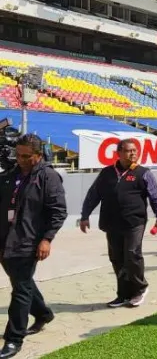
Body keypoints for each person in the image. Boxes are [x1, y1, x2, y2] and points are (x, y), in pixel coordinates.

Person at [0, 134, 66, 358]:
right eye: (17, 155)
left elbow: (58, 211)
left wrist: (47, 239)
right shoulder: (10, 175)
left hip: (29, 241)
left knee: (20, 290)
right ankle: (44, 313)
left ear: (38, 156)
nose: (20, 159)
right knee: (23, 283)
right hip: (5, 240)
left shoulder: (48, 177)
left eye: (26, 156)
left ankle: (14, 338)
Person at [80, 138, 157, 308]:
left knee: (132, 253)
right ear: (119, 153)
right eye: (129, 150)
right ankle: (123, 294)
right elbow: (93, 195)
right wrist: (85, 215)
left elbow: (155, 196)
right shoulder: (106, 173)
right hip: (111, 223)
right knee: (117, 259)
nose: (133, 153)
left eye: (135, 150)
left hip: (134, 221)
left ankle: (140, 288)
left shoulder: (143, 173)